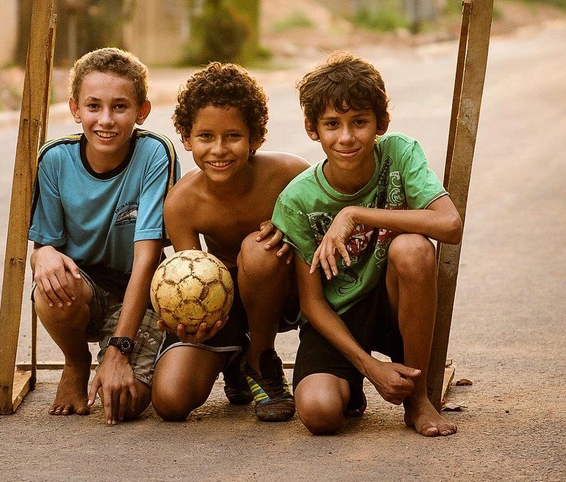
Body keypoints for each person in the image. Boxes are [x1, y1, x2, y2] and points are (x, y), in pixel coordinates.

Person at [271, 51, 463, 437]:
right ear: (313, 129)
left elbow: (449, 224)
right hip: (337, 319)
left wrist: (356, 214)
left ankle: (418, 399)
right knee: (319, 414)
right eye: (332, 124)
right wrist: (369, 367)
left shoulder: (399, 152)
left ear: (381, 123)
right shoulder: (297, 200)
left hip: (393, 303)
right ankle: (352, 386)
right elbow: (311, 302)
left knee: (413, 249)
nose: (346, 137)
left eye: (359, 122)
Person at [151, 62, 309, 422]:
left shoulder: (290, 175)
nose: (219, 150)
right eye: (206, 136)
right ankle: (234, 357)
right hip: (223, 303)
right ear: (187, 137)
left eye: (233, 136)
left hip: (283, 291)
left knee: (260, 248)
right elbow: (190, 277)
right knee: (171, 400)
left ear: (256, 137)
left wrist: (291, 233)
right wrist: (187, 319)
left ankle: (260, 360)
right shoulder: (182, 203)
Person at [28, 47, 180, 424]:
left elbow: (147, 257)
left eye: (120, 107)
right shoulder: (55, 159)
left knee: (126, 404)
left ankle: (119, 355)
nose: (106, 120)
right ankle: (77, 362)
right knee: (51, 285)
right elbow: (43, 242)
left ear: (141, 111)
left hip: (138, 293)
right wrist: (41, 253)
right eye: (93, 106)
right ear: (75, 109)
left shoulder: (154, 152)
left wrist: (119, 348)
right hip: (85, 288)